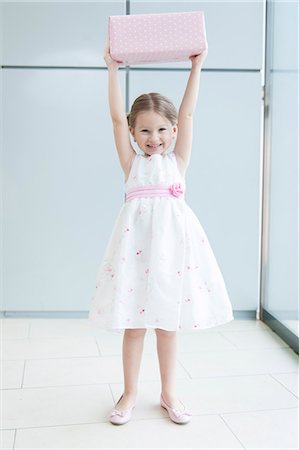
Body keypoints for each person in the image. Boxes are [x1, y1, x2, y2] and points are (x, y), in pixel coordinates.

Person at [89, 43, 234, 426]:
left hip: (172, 250)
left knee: (168, 325)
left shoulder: (178, 162)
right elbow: (116, 121)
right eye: (145, 131)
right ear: (135, 133)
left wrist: (196, 68)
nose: (154, 137)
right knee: (135, 326)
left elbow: (188, 112)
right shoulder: (131, 162)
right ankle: (130, 392)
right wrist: (112, 70)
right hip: (135, 249)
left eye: (161, 129)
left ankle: (169, 392)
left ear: (173, 131)